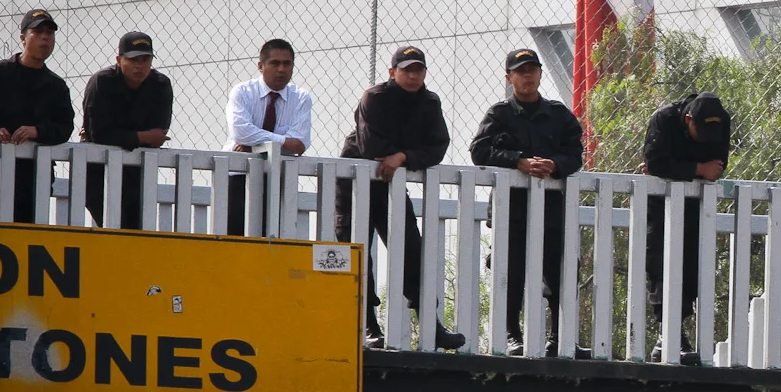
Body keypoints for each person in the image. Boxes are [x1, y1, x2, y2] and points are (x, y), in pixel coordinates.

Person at [335, 46, 465, 351]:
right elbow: (369, 145)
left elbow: (438, 146)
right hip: (356, 182)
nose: (412, 75)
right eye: (406, 69)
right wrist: (403, 155)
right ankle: (367, 327)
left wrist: (403, 156)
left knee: (411, 250)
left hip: (391, 181)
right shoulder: (375, 97)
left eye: (418, 69)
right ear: (392, 72)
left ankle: (430, 327)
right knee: (356, 253)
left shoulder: (429, 102)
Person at [470, 48, 585, 357]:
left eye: (532, 70)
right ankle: (511, 336)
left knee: (561, 271)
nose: (527, 76)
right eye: (520, 71)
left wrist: (554, 165)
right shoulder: (500, 114)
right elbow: (479, 151)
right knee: (511, 272)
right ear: (509, 78)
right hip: (512, 209)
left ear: (540, 74)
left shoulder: (559, 114)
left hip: (550, 209)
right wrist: (518, 161)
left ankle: (559, 338)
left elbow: (576, 154)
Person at [0, 8, 75, 222]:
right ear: (23, 37)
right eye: (37, 32)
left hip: (37, 174)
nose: (45, 38)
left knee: (33, 237)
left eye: (50, 32)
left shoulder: (56, 86)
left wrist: (37, 131)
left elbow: (64, 127)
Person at [641, 92, 731, 365]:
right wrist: (697, 168)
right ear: (689, 119)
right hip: (662, 204)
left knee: (691, 265)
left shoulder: (721, 122)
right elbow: (655, 163)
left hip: (696, 204)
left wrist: (681, 169)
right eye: (700, 130)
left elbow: (718, 167)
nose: (706, 138)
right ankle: (666, 334)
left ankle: (674, 334)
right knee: (661, 264)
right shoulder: (664, 119)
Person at [81, 31, 173, 231]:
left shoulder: (160, 84)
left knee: (134, 229)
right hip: (99, 170)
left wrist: (126, 137)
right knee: (108, 226)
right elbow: (98, 134)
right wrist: (142, 137)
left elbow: (160, 133)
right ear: (119, 60)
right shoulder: (102, 82)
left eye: (145, 59)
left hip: (137, 171)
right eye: (133, 60)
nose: (139, 66)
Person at [226, 38, 312, 236]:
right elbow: (240, 132)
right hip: (239, 175)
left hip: (278, 177)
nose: (281, 69)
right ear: (260, 66)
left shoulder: (301, 97)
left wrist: (254, 145)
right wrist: (280, 142)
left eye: (287, 63)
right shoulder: (243, 92)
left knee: (275, 239)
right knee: (235, 239)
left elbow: (299, 144)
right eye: (275, 63)